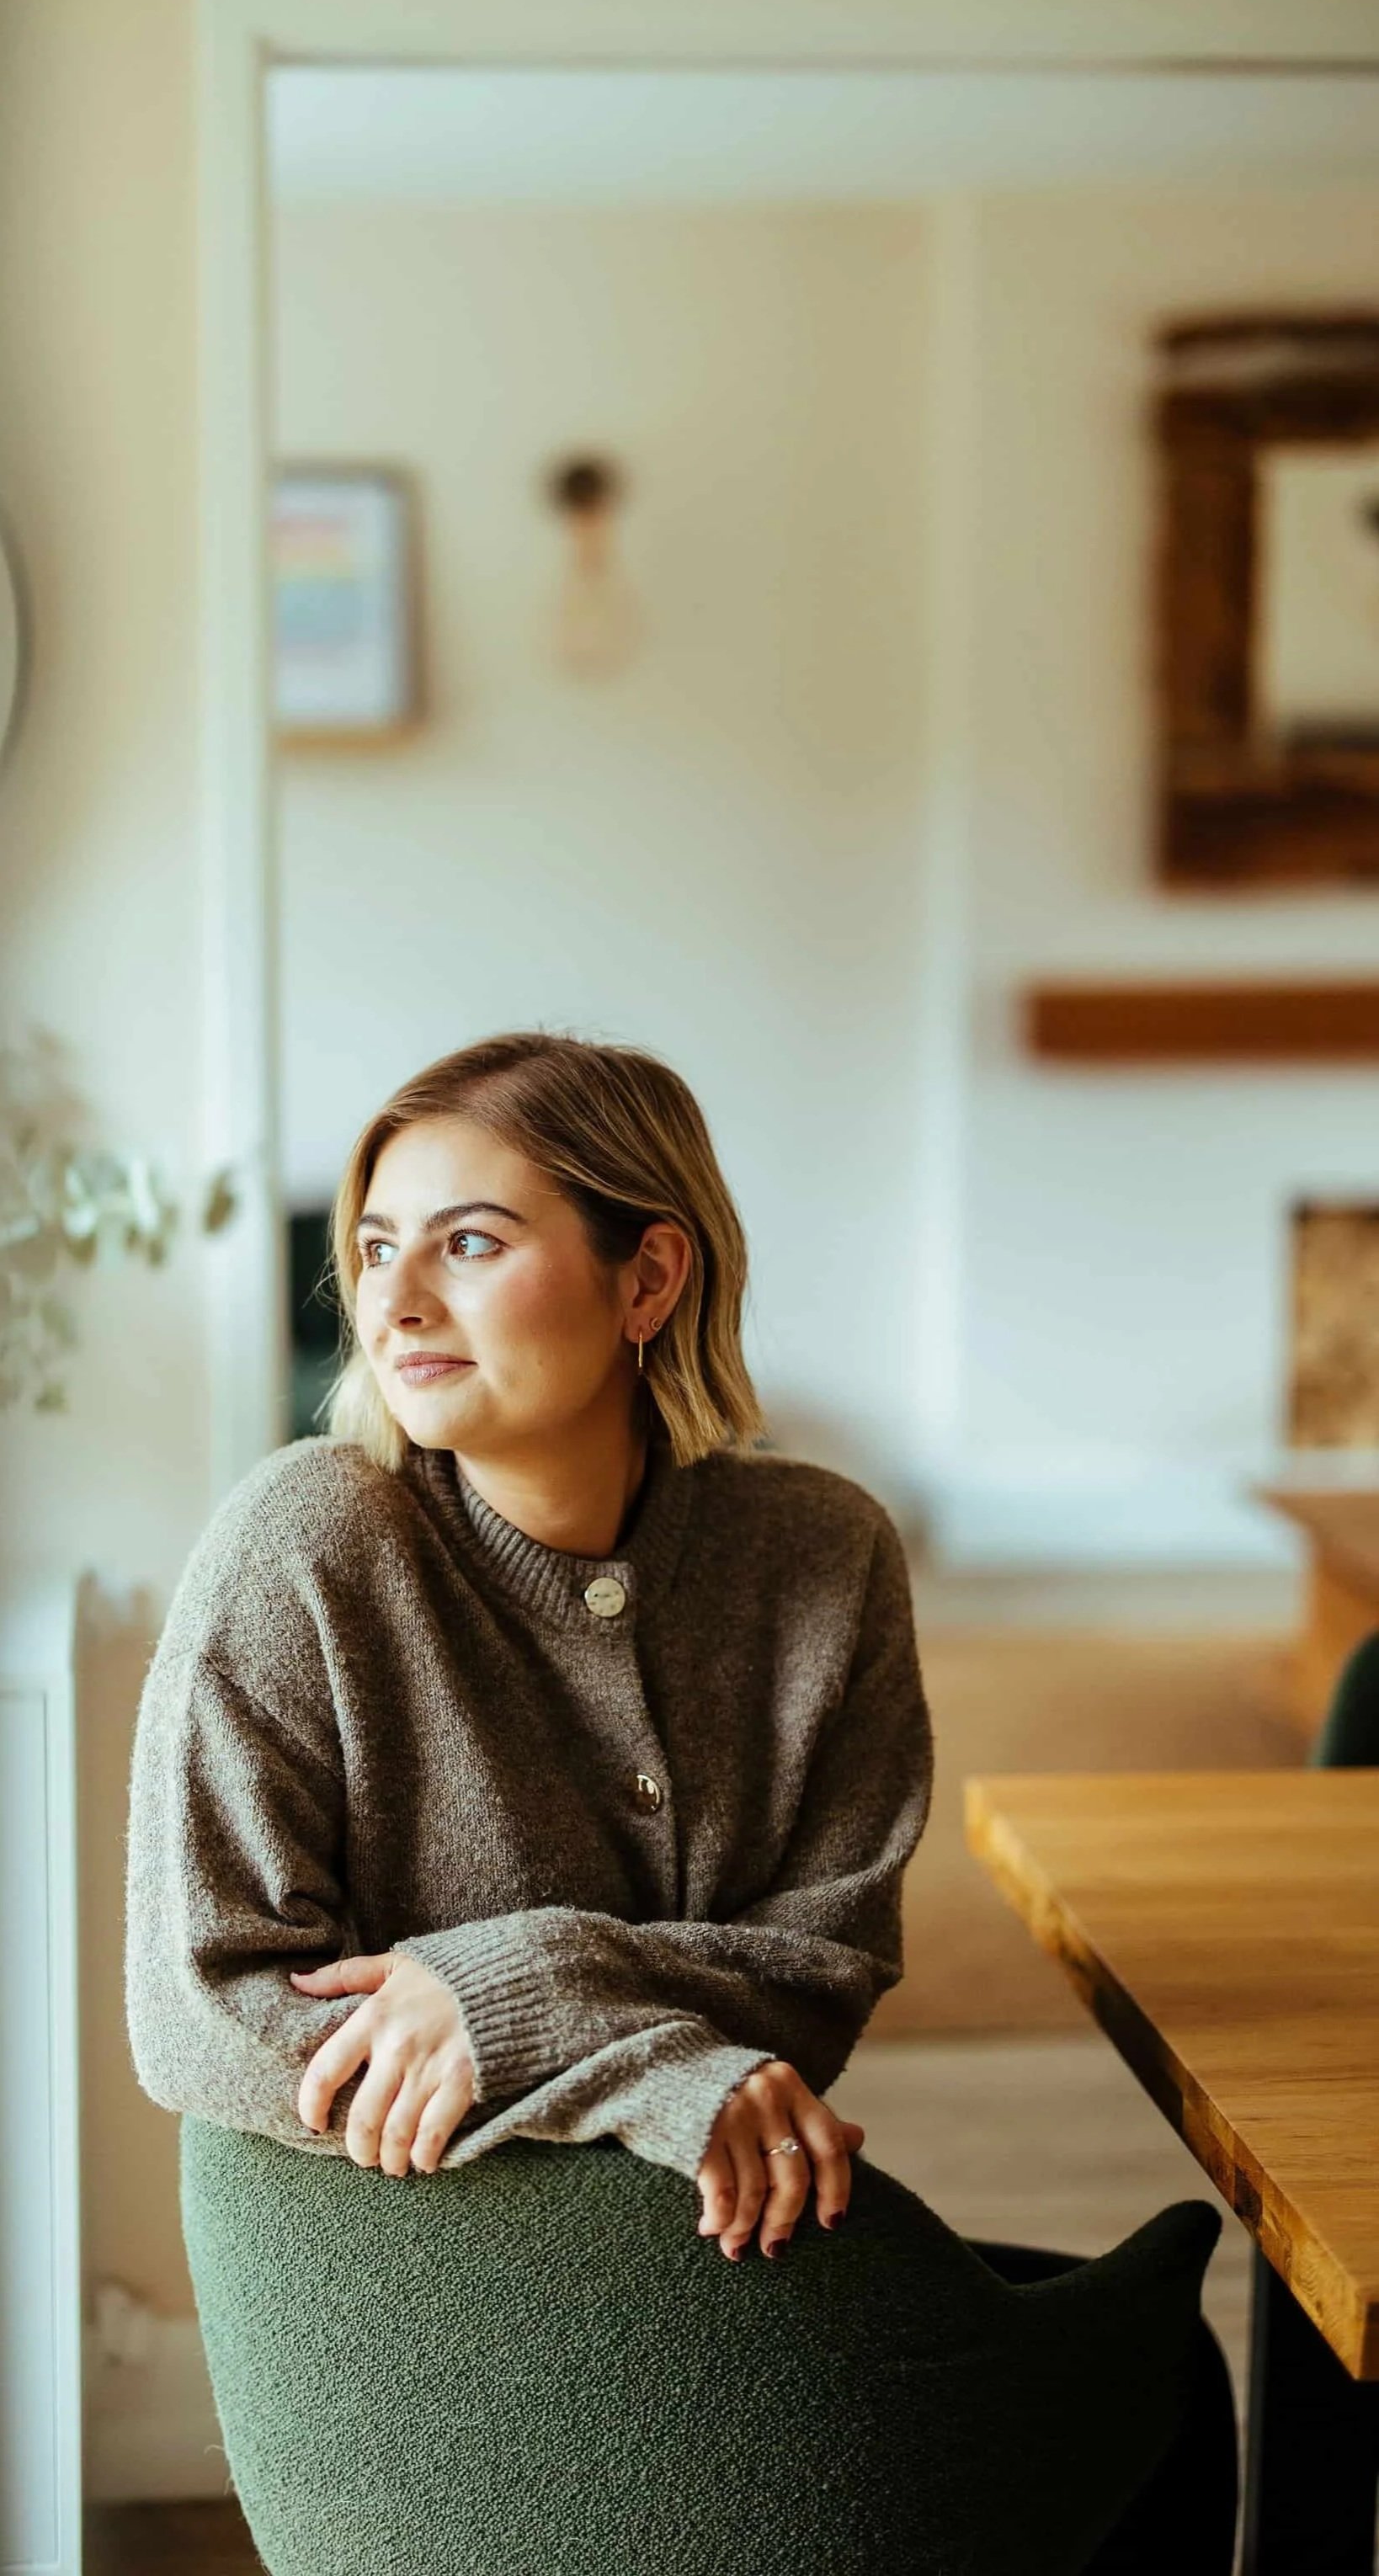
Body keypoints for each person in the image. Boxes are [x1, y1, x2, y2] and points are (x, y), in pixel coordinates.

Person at [125, 1030, 1236, 2576]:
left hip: (687, 2238)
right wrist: (655, 2074)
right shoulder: (303, 1544)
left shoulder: (820, 1560)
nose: (392, 1301)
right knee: (1158, 2374)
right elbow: (202, 2013)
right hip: (396, 2270)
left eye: (469, 1242)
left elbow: (821, 1970)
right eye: (376, 1247)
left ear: (649, 1280)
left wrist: (511, 1985)